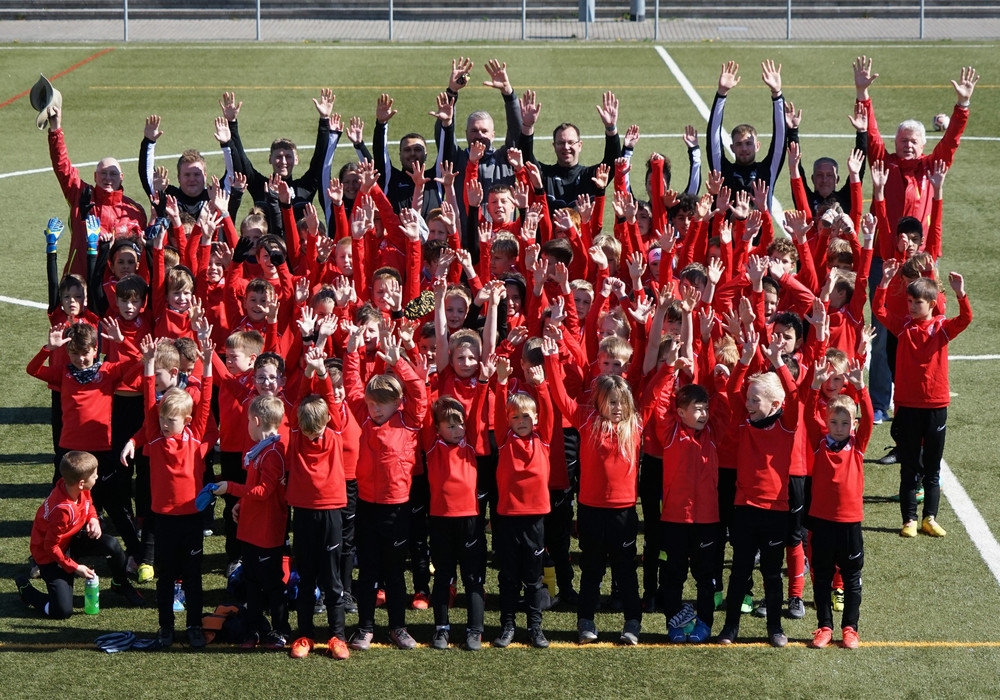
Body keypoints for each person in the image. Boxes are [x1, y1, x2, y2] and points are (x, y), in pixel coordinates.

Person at [853, 57, 979, 427]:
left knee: (925, 330)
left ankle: (921, 397)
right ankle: (880, 403)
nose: (907, 146)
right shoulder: (885, 164)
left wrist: (962, 105)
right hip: (887, 262)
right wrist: (863, 93)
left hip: (921, 266)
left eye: (913, 141)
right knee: (882, 333)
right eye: (903, 141)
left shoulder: (930, 167)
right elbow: (871, 135)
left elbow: (951, 142)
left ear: (923, 145)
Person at [343, 329, 428, 651]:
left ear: (397, 402)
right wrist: (352, 352)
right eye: (371, 403)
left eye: (382, 404)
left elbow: (419, 392)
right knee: (368, 572)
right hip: (367, 506)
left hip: (397, 509)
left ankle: (397, 627)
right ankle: (365, 628)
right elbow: (352, 385)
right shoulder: (363, 417)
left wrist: (399, 363)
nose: (375, 409)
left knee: (394, 572)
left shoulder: (410, 421)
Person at [873, 264, 972, 539]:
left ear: (932, 303)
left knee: (932, 467)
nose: (912, 307)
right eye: (909, 301)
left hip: (936, 406)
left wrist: (960, 294)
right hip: (907, 407)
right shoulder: (903, 326)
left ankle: (930, 518)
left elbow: (966, 319)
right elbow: (879, 310)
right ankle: (909, 520)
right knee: (909, 468)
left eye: (917, 302)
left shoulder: (942, 327)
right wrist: (883, 282)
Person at [137, 334, 214, 649]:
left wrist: (207, 363)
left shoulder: (196, 437)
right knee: (166, 575)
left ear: (187, 421)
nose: (166, 424)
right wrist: (148, 363)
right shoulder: (154, 437)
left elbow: (206, 400)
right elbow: (148, 397)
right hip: (164, 519)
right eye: (162, 419)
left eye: (172, 420)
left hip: (191, 517)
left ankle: (194, 624)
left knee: (193, 575)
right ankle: (165, 626)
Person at [16, 451, 143, 619]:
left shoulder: (73, 486)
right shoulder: (62, 510)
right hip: (51, 557)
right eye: (94, 475)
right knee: (61, 611)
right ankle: (27, 591)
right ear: (82, 483)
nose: (97, 477)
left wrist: (93, 519)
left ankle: (120, 583)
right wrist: (76, 568)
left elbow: (88, 503)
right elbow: (50, 547)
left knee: (111, 544)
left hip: (70, 540)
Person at [283, 348, 351, 661]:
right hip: (304, 513)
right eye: (308, 430)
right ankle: (305, 634)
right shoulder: (297, 435)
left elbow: (331, 401)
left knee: (333, 580)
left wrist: (322, 372)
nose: (313, 436)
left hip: (332, 512)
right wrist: (308, 372)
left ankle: (337, 636)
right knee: (306, 577)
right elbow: (299, 399)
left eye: (318, 429)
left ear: (327, 422)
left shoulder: (334, 431)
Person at [805, 358, 872, 649]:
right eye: (833, 422)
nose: (839, 427)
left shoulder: (857, 445)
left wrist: (861, 388)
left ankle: (850, 628)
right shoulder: (819, 442)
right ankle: (824, 626)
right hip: (821, 521)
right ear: (826, 421)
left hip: (849, 522)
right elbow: (807, 415)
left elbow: (869, 417)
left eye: (845, 423)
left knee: (851, 578)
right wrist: (814, 386)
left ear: (854, 425)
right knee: (821, 577)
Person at [216, 394, 290, 651]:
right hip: (251, 529)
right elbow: (253, 487)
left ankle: (280, 630)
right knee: (251, 583)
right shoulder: (262, 450)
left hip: (266, 532)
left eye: (248, 420)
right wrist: (240, 503)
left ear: (256, 421)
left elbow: (263, 492)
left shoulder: (273, 453)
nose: (247, 425)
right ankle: (255, 629)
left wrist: (230, 488)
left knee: (271, 585)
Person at [491, 356, 553, 649]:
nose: (521, 422)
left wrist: (541, 386)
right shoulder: (504, 440)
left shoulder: (543, 440)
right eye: (515, 417)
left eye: (526, 416)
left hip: (535, 519)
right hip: (507, 518)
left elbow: (549, 412)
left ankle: (535, 627)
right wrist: (502, 382)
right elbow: (498, 413)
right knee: (508, 576)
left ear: (536, 419)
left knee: (533, 577)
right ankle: (507, 625)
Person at [45, 104, 147, 278]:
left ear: (121, 177)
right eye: (103, 173)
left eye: (113, 174)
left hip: (114, 287)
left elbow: (141, 254)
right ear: (95, 176)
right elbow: (62, 167)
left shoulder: (134, 211)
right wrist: (55, 128)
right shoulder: (81, 194)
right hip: (79, 281)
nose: (108, 178)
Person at [706, 60, 786, 210]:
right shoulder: (723, 171)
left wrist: (777, 94)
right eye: (739, 144)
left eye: (749, 143)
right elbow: (713, 137)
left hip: (761, 227)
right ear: (732, 148)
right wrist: (721, 94)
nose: (744, 148)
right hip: (727, 226)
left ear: (757, 146)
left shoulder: (767, 171)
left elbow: (780, 140)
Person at [520, 91, 620, 210]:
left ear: (580, 145)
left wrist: (611, 128)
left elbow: (613, 161)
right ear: (554, 146)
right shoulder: (545, 175)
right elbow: (525, 158)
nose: (566, 147)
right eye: (561, 143)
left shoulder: (591, 177)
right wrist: (527, 126)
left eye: (571, 142)